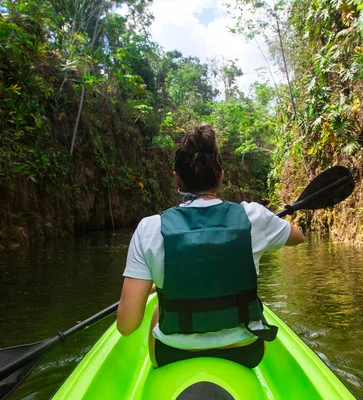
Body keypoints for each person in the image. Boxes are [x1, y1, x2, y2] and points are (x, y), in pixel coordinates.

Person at [116, 123, 305, 368]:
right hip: (246, 352)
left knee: (157, 310)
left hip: (173, 354)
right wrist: (267, 223)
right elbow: (297, 237)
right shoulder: (253, 217)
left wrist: (158, 283)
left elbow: (127, 325)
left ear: (177, 178)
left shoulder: (149, 228)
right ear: (221, 176)